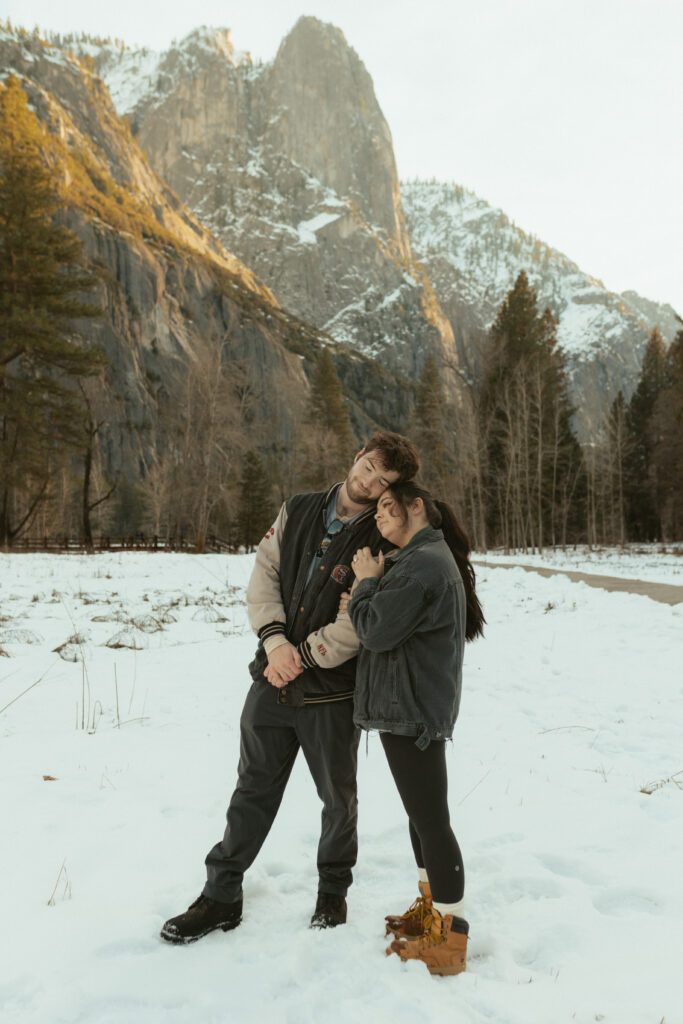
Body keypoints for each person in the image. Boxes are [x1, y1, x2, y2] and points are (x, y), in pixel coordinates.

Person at [160, 432, 420, 944]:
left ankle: (332, 895)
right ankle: (221, 896)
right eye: (368, 466)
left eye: (382, 480)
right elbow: (265, 574)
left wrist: (301, 657)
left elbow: (358, 621)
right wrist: (275, 643)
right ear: (357, 456)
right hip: (270, 681)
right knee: (250, 790)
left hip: (331, 694)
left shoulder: (384, 537)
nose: (368, 481)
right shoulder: (297, 508)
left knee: (338, 800)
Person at [345, 480, 484, 976]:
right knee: (421, 815)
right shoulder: (416, 561)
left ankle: (450, 940)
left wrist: (365, 583)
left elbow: (374, 629)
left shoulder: (423, 564)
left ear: (416, 506)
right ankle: (431, 912)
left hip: (413, 709)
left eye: (388, 506)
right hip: (409, 704)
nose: (379, 515)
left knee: (431, 820)